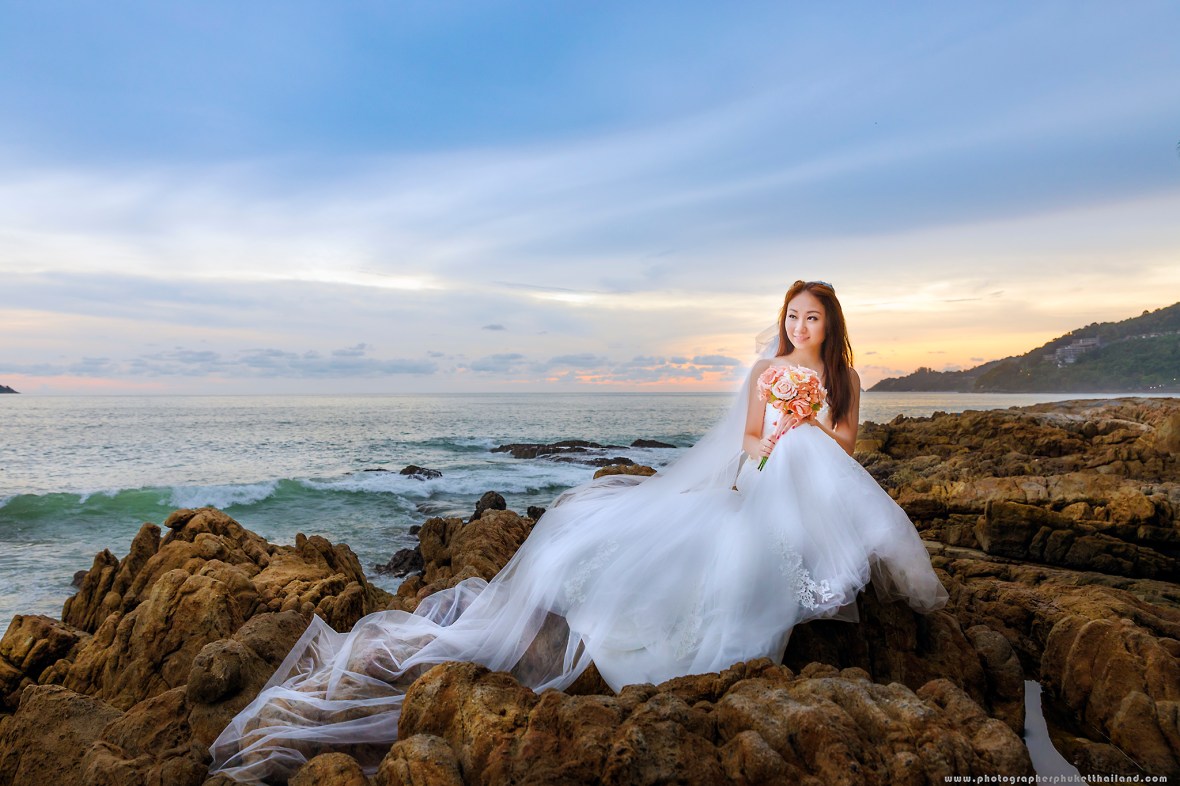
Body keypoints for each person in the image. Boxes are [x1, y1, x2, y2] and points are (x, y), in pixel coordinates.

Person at [209, 280, 949, 783]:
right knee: (766, 487)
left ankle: (827, 559)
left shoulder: (843, 381)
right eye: (792, 315)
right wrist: (778, 437)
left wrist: (809, 425)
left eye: (811, 318)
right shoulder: (766, 371)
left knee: (813, 459)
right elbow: (751, 440)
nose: (799, 327)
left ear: (831, 325)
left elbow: (846, 444)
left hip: (813, 466)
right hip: (767, 473)